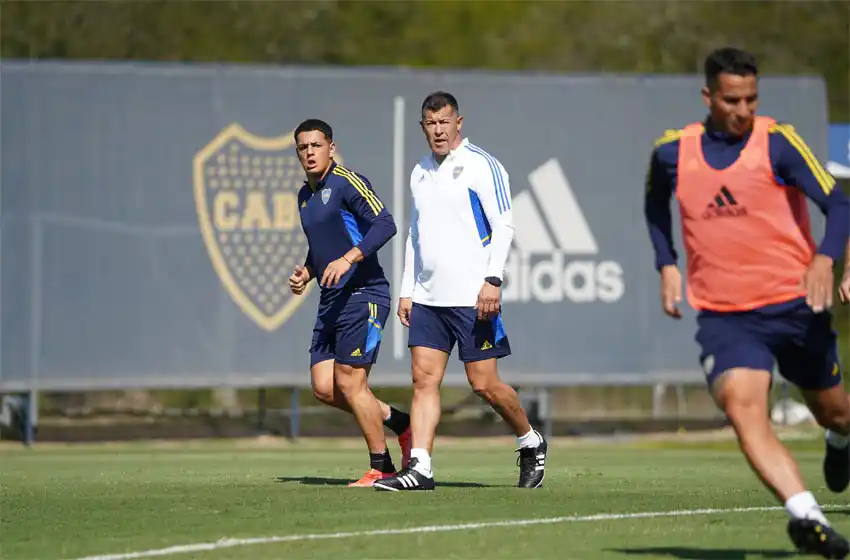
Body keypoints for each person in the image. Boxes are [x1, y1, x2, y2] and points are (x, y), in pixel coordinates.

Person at [644, 47, 850, 558]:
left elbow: (838, 202)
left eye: (752, 99)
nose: (744, 110)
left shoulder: (777, 143)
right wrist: (666, 263)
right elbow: (653, 207)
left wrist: (827, 259)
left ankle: (841, 439)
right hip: (726, 315)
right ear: (708, 97)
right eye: (733, 100)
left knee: (836, 412)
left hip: (795, 305)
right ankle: (806, 515)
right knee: (743, 407)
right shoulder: (672, 152)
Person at [373, 92, 547, 492]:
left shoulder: (481, 166)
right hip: (429, 299)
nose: (438, 130)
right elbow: (416, 236)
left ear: (458, 123)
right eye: (430, 124)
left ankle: (529, 440)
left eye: (444, 122)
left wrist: (493, 280)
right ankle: (421, 467)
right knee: (423, 381)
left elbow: (504, 226)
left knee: (484, 384)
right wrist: (407, 290)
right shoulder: (419, 172)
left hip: (473, 297)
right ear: (422, 127)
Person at [288, 118, 412, 487]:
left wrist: (349, 258)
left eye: (316, 145)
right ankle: (399, 422)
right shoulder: (304, 196)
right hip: (331, 300)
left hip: (364, 294)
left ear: (331, 147)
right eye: (303, 147)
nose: (310, 153)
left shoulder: (347, 182)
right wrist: (308, 272)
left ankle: (383, 467)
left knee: (351, 383)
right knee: (325, 387)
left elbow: (385, 224)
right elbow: (323, 244)